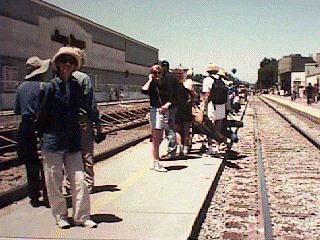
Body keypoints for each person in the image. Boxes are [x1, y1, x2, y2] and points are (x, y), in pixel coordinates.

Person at [37, 47, 97, 229]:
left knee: (79, 180)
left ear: (74, 66)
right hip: (53, 140)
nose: (67, 65)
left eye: (71, 62)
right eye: (64, 61)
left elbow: (82, 107)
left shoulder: (76, 86)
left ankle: (82, 216)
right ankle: (60, 215)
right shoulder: (49, 87)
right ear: (58, 63)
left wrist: (91, 123)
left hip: (72, 140)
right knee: (54, 182)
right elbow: (41, 115)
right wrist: (40, 139)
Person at [64, 48, 105, 194]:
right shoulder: (83, 78)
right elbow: (90, 104)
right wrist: (97, 123)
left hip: (65, 120)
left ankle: (69, 184)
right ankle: (88, 183)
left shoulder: (60, 76)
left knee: (69, 152)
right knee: (86, 153)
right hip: (82, 120)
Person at [14, 56, 50, 208]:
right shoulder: (45, 87)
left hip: (25, 127)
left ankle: (34, 197)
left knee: (30, 164)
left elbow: (17, 110)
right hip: (42, 127)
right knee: (46, 164)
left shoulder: (21, 88)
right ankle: (49, 195)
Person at [141, 64, 170, 172]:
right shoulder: (152, 85)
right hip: (156, 111)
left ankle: (155, 161)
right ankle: (156, 162)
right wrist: (149, 80)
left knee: (160, 137)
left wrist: (168, 104)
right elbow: (143, 90)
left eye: (159, 73)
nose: (157, 75)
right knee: (156, 138)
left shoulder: (165, 84)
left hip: (165, 111)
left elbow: (172, 97)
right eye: (154, 73)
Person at [202, 64, 227, 156]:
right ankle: (218, 146)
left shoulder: (207, 80)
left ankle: (211, 148)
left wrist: (204, 108)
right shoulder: (221, 80)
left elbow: (206, 95)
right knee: (218, 126)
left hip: (212, 105)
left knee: (209, 127)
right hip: (221, 105)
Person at [173, 68, 195, 155]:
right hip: (186, 108)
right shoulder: (185, 86)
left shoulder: (172, 87)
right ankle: (186, 147)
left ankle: (179, 146)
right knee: (186, 129)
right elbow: (193, 95)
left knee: (177, 130)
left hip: (176, 109)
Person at [160, 60, 178, 158]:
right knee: (170, 128)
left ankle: (172, 152)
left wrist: (168, 103)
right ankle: (172, 150)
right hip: (173, 106)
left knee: (170, 129)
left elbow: (170, 92)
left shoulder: (165, 78)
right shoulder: (173, 78)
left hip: (168, 106)